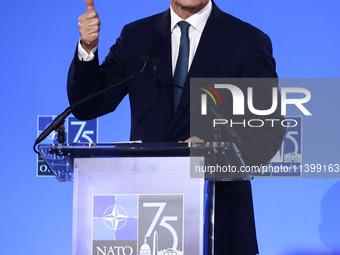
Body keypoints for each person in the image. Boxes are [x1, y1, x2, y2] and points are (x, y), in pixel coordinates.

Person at [67, 0, 286, 254]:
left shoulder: (247, 41)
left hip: (219, 219)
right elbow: (88, 105)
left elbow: (268, 130)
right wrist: (87, 49)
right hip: (145, 220)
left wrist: (216, 154)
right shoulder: (137, 35)